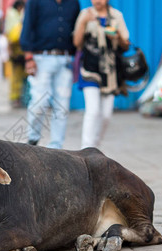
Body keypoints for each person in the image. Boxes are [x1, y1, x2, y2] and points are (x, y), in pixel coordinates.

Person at [20, 0, 80, 149]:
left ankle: (56, 146)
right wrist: (28, 58)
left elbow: (77, 31)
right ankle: (33, 138)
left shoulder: (73, 3)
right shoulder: (35, 2)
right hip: (41, 59)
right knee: (39, 102)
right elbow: (27, 27)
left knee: (62, 104)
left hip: (65, 59)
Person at [73, 0, 129, 149]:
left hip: (110, 74)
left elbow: (126, 44)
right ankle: (86, 148)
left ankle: (95, 148)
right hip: (90, 71)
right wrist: (83, 23)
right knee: (93, 111)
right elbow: (77, 43)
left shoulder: (117, 16)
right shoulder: (85, 14)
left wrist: (116, 36)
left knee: (106, 115)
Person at [5, 0, 26, 108]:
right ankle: (15, 98)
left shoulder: (13, 15)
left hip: (19, 51)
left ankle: (17, 98)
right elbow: (11, 35)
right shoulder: (14, 16)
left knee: (17, 77)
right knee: (16, 77)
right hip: (17, 51)